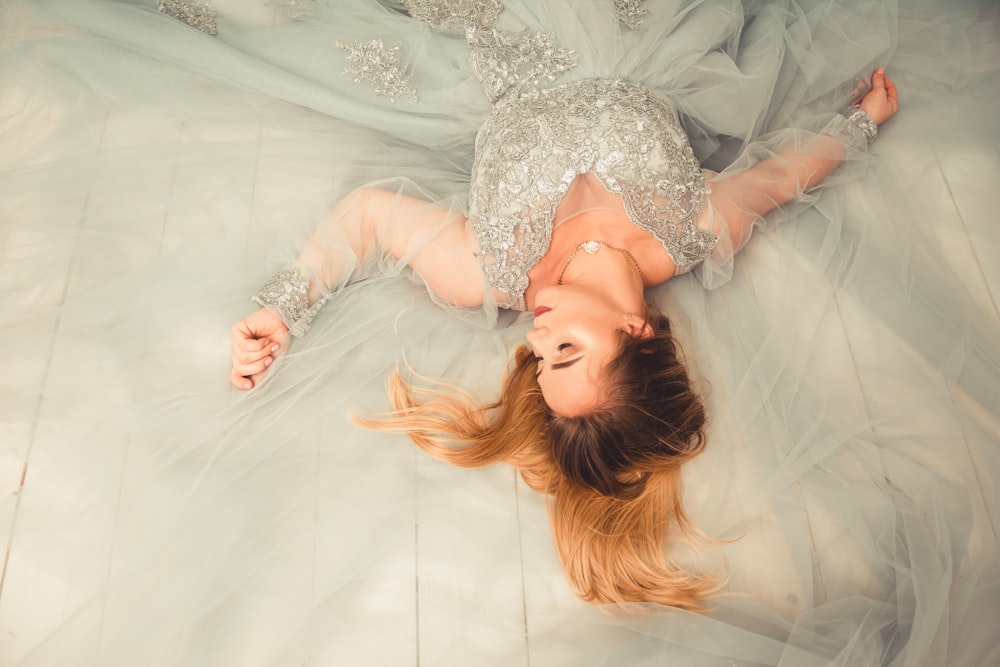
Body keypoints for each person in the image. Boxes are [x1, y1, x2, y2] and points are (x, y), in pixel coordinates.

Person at [229, 33, 899, 607]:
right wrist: (863, 120)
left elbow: (370, 215)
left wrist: (282, 308)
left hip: (493, 42)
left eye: (542, 361)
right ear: (638, 332)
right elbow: (783, 177)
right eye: (568, 350)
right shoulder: (694, 228)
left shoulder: (488, 272)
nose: (535, 337)